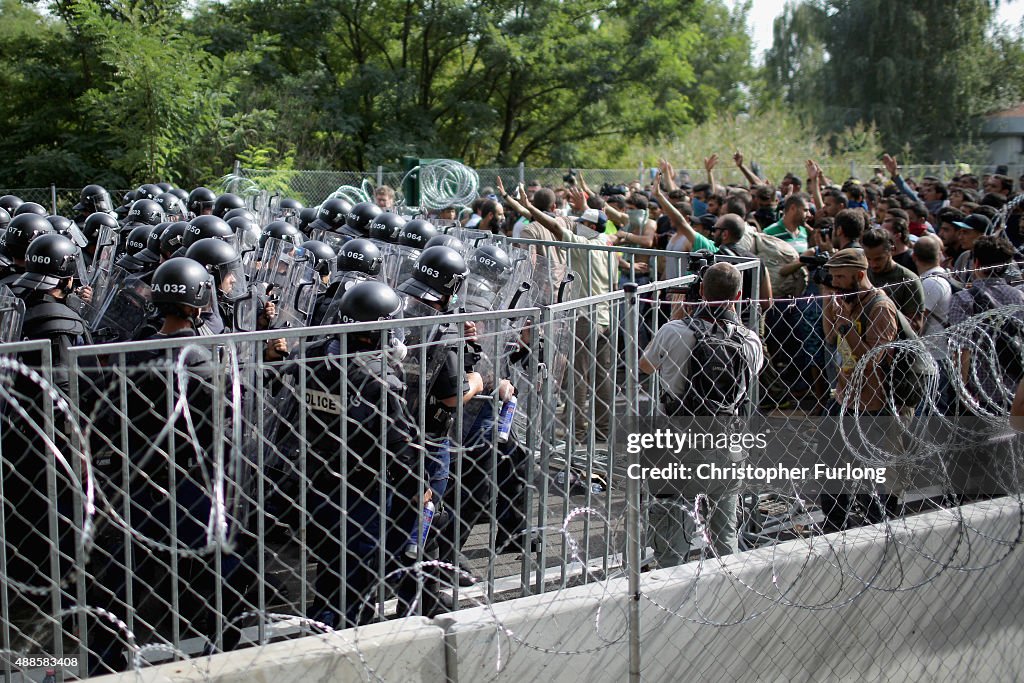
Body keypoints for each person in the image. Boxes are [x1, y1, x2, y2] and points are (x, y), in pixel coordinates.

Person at [639, 262, 763, 564]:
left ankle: (671, 595)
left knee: (672, 539)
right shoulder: (750, 341)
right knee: (724, 538)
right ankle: (728, 591)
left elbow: (644, 366)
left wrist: (680, 315)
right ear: (740, 296)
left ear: (701, 291)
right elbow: (751, 377)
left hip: (676, 441)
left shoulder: (673, 331)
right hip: (726, 442)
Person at [862, 228, 925, 333]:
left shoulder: (908, 280)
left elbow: (916, 326)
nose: (873, 264)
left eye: (879, 259)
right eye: (868, 258)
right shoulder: (863, 274)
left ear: (892, 250)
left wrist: (886, 305)